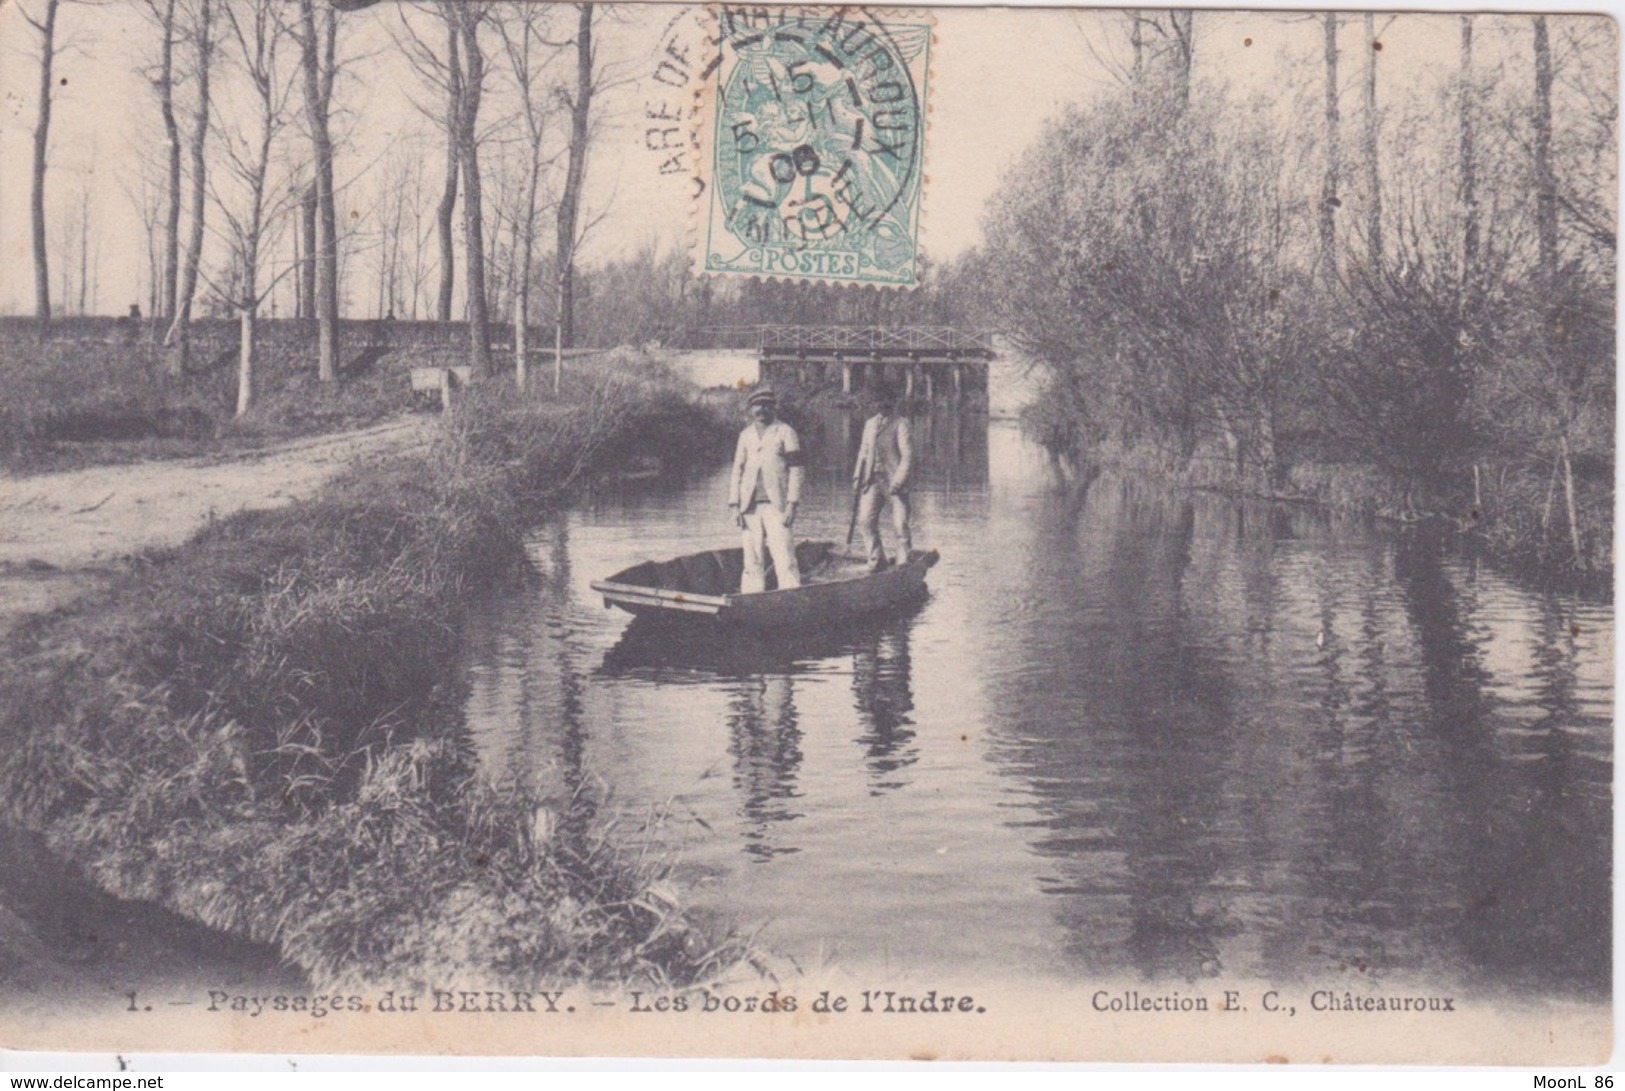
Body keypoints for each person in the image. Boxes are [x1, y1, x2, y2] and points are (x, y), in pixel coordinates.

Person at [728, 386, 804, 593]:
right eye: (757, 405)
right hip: (749, 506)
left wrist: (792, 505)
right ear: (751, 409)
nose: (761, 409)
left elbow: (796, 470)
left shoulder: (786, 432)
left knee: (784, 557)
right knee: (752, 560)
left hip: (776, 505)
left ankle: (791, 598)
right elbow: (737, 470)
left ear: (773, 408)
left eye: (766, 405)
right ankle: (752, 599)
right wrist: (734, 505)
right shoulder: (745, 435)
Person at [852, 383, 913, 571]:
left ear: (893, 402)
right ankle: (876, 558)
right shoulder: (870, 424)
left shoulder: (902, 423)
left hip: (894, 481)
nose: (882, 405)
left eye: (886, 401)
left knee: (899, 523)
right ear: (874, 404)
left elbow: (907, 456)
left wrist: (899, 480)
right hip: (872, 479)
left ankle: (904, 562)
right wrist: (857, 477)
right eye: (878, 402)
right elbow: (863, 452)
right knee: (865, 520)